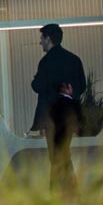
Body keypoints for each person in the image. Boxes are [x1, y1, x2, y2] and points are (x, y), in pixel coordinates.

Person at [30, 24, 85, 191]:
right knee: (62, 152)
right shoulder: (74, 59)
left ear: (48, 39)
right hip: (69, 114)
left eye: (42, 39)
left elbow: (37, 86)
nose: (40, 42)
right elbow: (81, 86)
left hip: (51, 116)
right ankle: (68, 191)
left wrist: (35, 80)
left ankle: (60, 192)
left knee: (55, 155)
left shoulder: (46, 62)